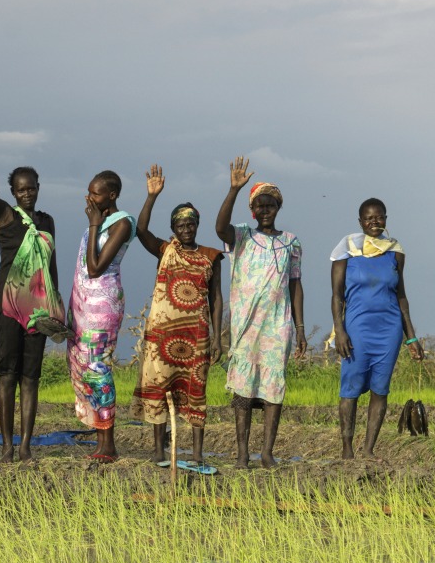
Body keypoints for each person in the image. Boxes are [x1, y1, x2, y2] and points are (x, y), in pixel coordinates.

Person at [0, 107, 69, 463]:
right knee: (7, 374)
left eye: (32, 189)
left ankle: (25, 446)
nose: (27, 194)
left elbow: (51, 266)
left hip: (39, 309)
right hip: (9, 305)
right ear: (13, 192)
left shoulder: (47, 222)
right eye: (21, 189)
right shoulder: (6, 216)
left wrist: (57, 306)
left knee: (31, 377)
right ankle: (7, 446)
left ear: (38, 189)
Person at [214, 158, 307, 470]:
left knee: (273, 387)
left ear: (277, 208)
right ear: (252, 210)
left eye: (270, 205)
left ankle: (266, 453)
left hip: (277, 326)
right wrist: (233, 189)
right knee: (243, 388)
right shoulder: (241, 236)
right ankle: (242, 453)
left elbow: (295, 284)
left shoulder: (290, 242)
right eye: (259, 206)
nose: (265, 210)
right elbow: (219, 228)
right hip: (246, 325)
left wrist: (301, 328)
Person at [131, 166, 223, 470]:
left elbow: (216, 298)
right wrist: (151, 196)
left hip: (196, 335)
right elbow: (141, 230)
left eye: (191, 223)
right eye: (181, 224)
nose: (186, 228)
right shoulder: (165, 250)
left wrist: (218, 336)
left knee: (196, 391)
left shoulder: (211, 256)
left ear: (197, 225)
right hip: (162, 335)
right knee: (160, 387)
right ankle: (158, 451)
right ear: (174, 227)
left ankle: (197, 454)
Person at [331, 198, 424, 459]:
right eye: (368, 218)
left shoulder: (396, 251)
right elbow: (337, 296)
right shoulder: (346, 250)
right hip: (357, 329)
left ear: (386, 219)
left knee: (380, 390)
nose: (374, 222)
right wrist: (339, 330)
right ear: (360, 221)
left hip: (390, 330)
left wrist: (411, 337)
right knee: (350, 388)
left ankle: (369, 449)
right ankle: (347, 449)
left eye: (379, 217)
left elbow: (401, 295)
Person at [69, 170, 135, 462]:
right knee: (87, 370)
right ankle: (101, 441)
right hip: (84, 308)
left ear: (112, 195)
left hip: (102, 307)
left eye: (95, 193)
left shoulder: (122, 222)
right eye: (88, 191)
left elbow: (95, 267)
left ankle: (108, 443)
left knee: (98, 370)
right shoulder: (101, 222)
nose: (89, 198)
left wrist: (94, 224)